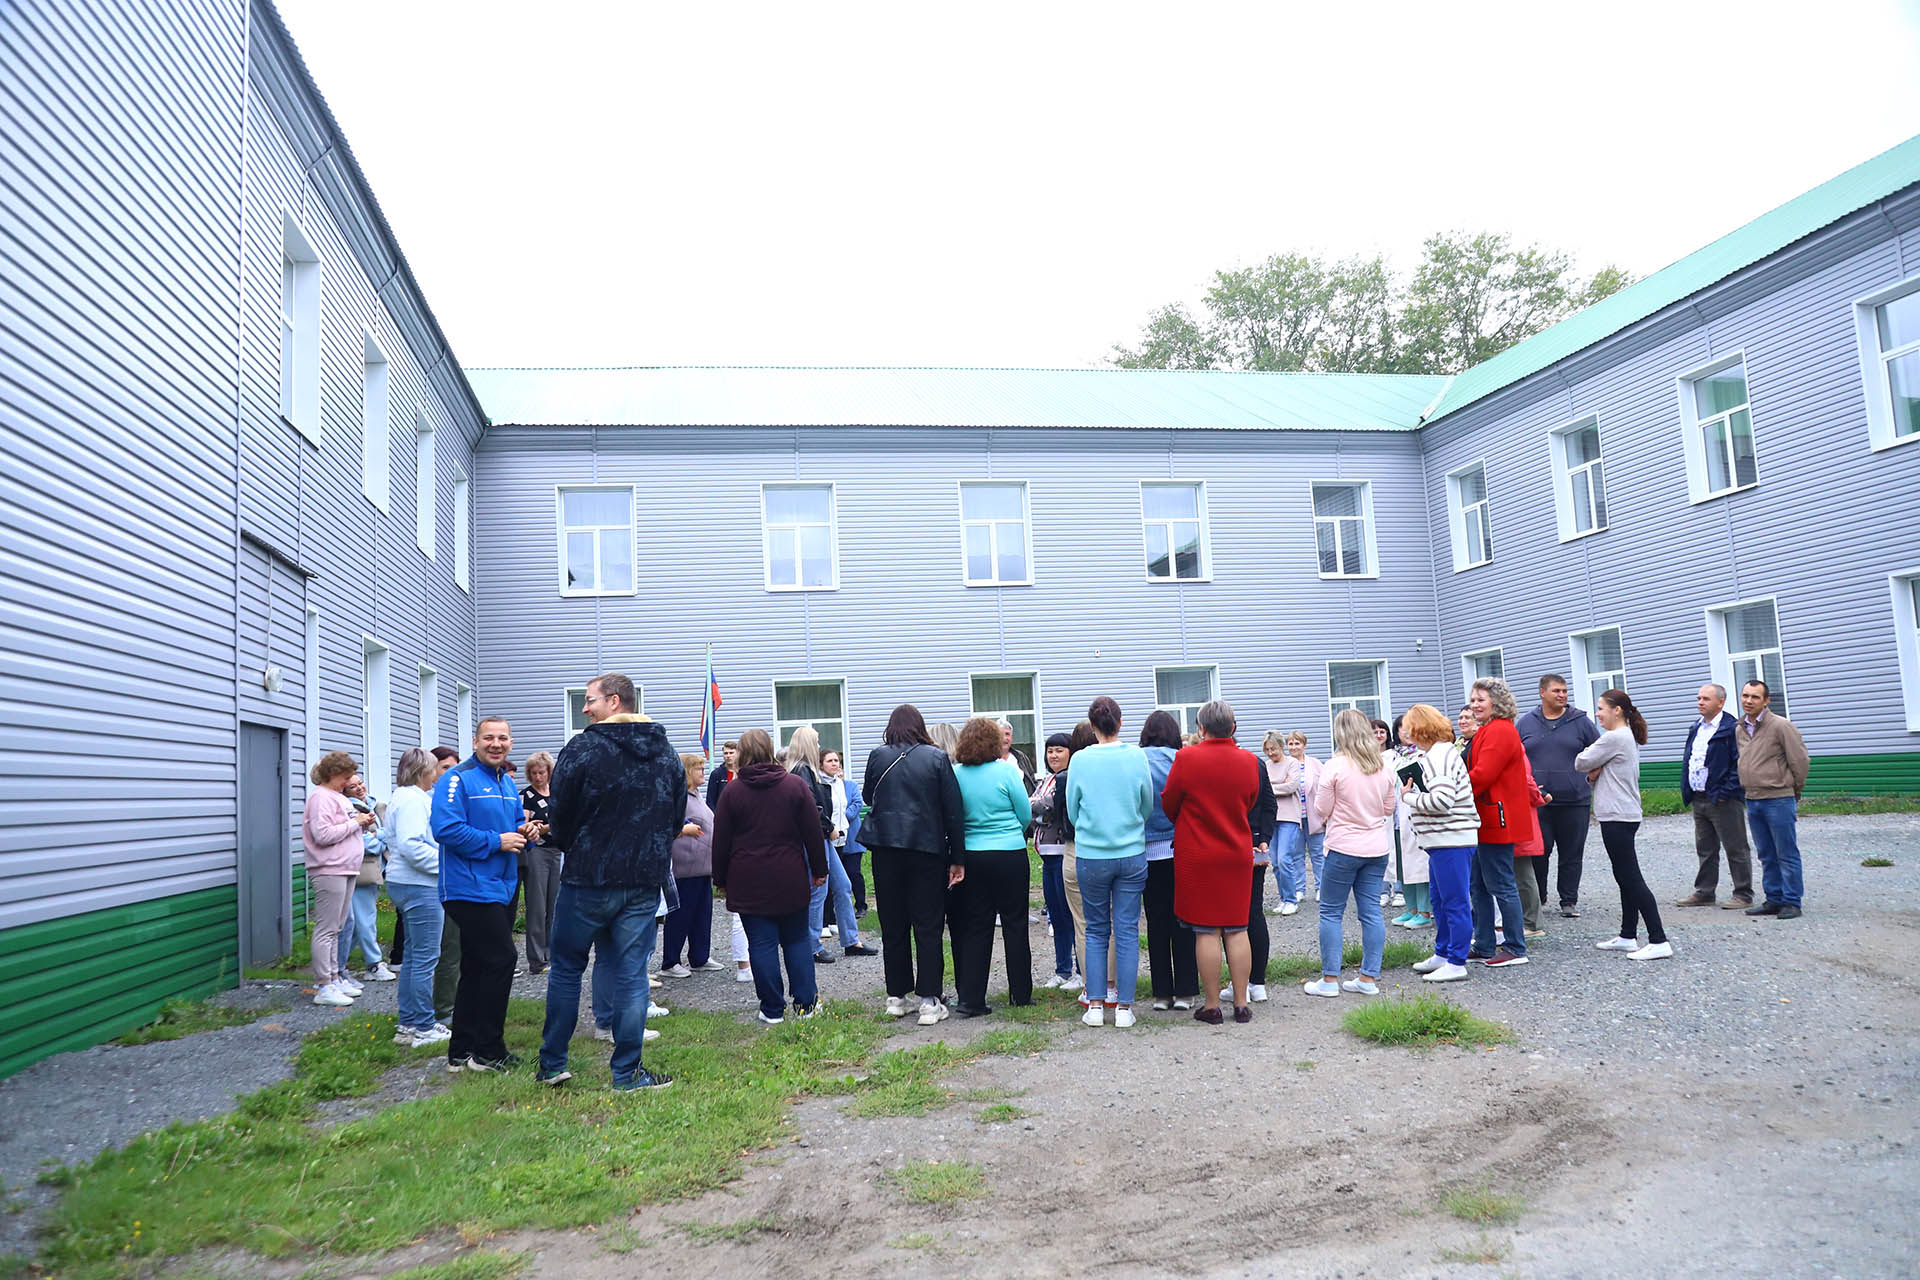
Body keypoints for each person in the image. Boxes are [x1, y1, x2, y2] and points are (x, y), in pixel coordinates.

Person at [539, 692, 684, 1090]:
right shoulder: (666, 753)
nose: (585, 708)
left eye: (589, 700)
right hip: (641, 880)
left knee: (567, 969)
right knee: (632, 974)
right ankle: (627, 1072)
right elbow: (674, 818)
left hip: (587, 878)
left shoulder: (582, 748)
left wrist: (577, 846)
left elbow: (560, 813)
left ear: (615, 702)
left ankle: (553, 1063)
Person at [432, 716, 536, 1072]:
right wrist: (497, 841)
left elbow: (506, 832)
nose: (496, 744)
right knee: (501, 959)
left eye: (503, 738)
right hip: (468, 887)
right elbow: (445, 829)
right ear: (475, 742)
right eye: (489, 738)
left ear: (510, 742)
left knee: (477, 965)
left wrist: (523, 832)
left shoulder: (506, 781)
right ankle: (488, 1052)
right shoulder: (457, 778)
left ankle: (461, 1050)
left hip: (501, 885)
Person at [713, 728, 829, 1024]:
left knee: (762, 945)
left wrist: (720, 879)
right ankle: (805, 1004)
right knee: (797, 940)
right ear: (769, 749)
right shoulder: (793, 786)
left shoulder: (733, 792)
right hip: (789, 875)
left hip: (747, 878)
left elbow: (721, 840)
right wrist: (819, 870)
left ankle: (771, 1009)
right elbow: (812, 833)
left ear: (742, 754)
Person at [862, 705, 967, 1025]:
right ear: (920, 726)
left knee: (893, 925)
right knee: (928, 926)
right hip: (926, 850)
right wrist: (957, 858)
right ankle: (929, 1000)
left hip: (886, 850)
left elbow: (869, 796)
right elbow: (953, 810)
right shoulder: (936, 758)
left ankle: (896, 997)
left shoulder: (877, 756)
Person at [1160, 700, 1262, 1025]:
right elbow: (1250, 800)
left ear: (1200, 728)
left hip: (1199, 854)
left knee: (1206, 930)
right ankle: (1242, 1003)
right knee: (1237, 927)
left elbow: (1169, 802)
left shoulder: (1186, 758)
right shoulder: (1250, 761)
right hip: (1236, 852)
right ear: (1233, 728)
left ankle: (1212, 1004)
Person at [1065, 696, 1152, 1029]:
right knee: (1127, 930)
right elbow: (1146, 804)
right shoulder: (1136, 756)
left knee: (1096, 930)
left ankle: (1097, 1005)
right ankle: (1125, 1009)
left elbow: (1073, 810)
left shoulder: (1081, 761)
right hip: (1130, 851)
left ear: (1092, 726)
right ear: (1120, 722)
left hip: (1092, 854)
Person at [1302, 709, 1397, 998]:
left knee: (1331, 912)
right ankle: (1368, 978)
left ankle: (1330, 980)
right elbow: (1388, 808)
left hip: (1343, 846)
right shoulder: (1382, 765)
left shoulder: (1336, 765)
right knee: (1370, 912)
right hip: (1376, 848)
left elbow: (1321, 809)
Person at [1575, 689, 1672, 960]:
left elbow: (1580, 761)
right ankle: (1628, 935)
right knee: (1623, 875)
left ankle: (1658, 938)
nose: (1597, 713)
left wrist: (1594, 768)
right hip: (1621, 813)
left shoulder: (1614, 737)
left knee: (1630, 877)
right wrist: (1597, 771)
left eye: (1601, 708)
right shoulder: (1623, 736)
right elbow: (1593, 769)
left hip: (1618, 815)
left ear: (1617, 710)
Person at [950, 717, 1035, 1017]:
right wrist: (1012, 832)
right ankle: (1021, 994)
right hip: (1009, 853)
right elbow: (1025, 813)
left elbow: (953, 815)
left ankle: (971, 999)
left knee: (976, 926)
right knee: (1015, 923)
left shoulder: (956, 774)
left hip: (973, 855)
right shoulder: (1007, 771)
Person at [1402, 704, 1480, 983]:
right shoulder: (1437, 753)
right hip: (1440, 841)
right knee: (1440, 899)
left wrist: (1408, 797)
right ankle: (1444, 953)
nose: (1406, 732)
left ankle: (1457, 961)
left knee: (1455, 901)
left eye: (1410, 726)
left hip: (1452, 840)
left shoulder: (1440, 756)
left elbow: (1442, 801)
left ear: (1419, 729)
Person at [1517, 674, 1601, 919]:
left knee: (1572, 852)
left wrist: (1588, 779)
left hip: (1575, 800)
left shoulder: (1580, 722)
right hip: (1538, 801)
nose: (1562, 695)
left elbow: (1599, 752)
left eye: (1564, 691)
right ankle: (1538, 898)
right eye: (1556, 691)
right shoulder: (1526, 723)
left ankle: (1569, 900)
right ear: (1542, 693)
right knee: (1538, 852)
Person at [787, 727, 872, 961]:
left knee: (843, 885)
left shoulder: (808, 771)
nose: (818, 747)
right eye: (815, 742)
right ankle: (812, 946)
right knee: (819, 890)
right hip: (815, 838)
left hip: (822, 837)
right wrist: (830, 828)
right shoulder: (802, 771)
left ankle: (851, 940)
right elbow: (811, 808)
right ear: (806, 745)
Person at [384, 748, 449, 1046]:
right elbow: (411, 846)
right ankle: (423, 1026)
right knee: (425, 958)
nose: (437, 775)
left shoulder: (405, 797)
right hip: (419, 885)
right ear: (423, 772)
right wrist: (446, 864)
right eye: (434, 769)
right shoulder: (412, 801)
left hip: (404, 882)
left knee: (413, 957)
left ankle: (408, 1023)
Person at [1465, 678, 1531, 967]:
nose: (1475, 705)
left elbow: (1482, 774)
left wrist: (1450, 790)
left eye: (1481, 699)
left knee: (1501, 883)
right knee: (1478, 884)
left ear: (1496, 702)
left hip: (1496, 817)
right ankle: (1484, 943)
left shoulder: (1500, 731)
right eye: (1473, 700)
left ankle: (1515, 947)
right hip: (1485, 817)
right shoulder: (1488, 730)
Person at [304, 751, 376, 1008]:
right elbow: (322, 834)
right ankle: (324, 984)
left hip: (346, 867)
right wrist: (355, 823)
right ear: (332, 774)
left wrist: (362, 823)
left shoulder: (335, 796)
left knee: (338, 926)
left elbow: (346, 826)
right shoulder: (320, 797)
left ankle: (335, 976)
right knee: (326, 928)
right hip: (329, 868)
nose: (349, 781)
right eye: (345, 776)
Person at [1736, 680, 1811, 920]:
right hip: (1753, 798)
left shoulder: (1781, 726)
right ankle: (1774, 898)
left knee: (1786, 852)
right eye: (1745, 695)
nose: (1748, 701)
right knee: (1766, 853)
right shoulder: (1740, 728)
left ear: (1766, 701)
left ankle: (1791, 901)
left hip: (1778, 798)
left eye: (1755, 697)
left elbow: (1800, 761)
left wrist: (1793, 789)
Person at [1139, 711, 1198, 1011]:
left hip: (1146, 850)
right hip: (1179, 848)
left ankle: (1162, 992)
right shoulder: (1182, 758)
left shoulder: (1137, 760)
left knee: (1156, 922)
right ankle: (1186, 991)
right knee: (1184, 921)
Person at [1676, 684, 1754, 909]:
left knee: (1735, 847)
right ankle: (1704, 892)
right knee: (1705, 848)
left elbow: (1740, 763)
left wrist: (1725, 792)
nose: (1700, 702)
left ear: (1721, 702)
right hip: (1699, 797)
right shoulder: (1697, 727)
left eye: (1706, 699)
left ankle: (1743, 893)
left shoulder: (1732, 728)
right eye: (1699, 698)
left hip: (1723, 799)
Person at [659, 754, 723, 976]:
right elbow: (668, 825)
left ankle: (699, 956)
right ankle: (670, 961)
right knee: (681, 914)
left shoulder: (697, 796)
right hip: (685, 866)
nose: (703, 773)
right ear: (687, 772)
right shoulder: (680, 798)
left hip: (702, 866)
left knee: (702, 914)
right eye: (698, 769)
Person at [1029, 733, 1078, 989]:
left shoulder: (1069, 778)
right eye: (1050, 751)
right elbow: (1035, 809)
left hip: (1062, 853)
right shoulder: (1047, 779)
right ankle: (1062, 970)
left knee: (1070, 915)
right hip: (1046, 855)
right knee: (1056, 917)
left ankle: (1080, 971)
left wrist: (1036, 809)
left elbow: (1048, 807)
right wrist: (1037, 810)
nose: (1054, 755)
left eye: (1059, 750)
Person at [338, 774, 396, 983]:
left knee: (355, 922)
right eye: (353, 787)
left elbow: (388, 832)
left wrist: (377, 836)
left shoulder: (372, 803)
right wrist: (382, 839)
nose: (359, 788)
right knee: (365, 919)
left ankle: (338, 967)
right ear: (345, 791)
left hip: (376, 868)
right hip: (361, 870)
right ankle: (374, 964)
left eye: (361, 783)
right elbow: (364, 843)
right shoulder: (349, 808)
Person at [424, 745, 464, 1025]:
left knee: (457, 946)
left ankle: (454, 1002)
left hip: (457, 879)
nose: (452, 773)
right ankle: (442, 1009)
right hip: (434, 880)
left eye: (455, 767)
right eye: (446, 767)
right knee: (443, 948)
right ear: (432, 770)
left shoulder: (453, 796)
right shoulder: (425, 800)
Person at [519, 751, 562, 975]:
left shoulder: (556, 793)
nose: (538, 777)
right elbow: (524, 827)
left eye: (542, 772)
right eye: (534, 773)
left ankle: (553, 955)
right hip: (537, 852)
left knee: (555, 906)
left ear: (549, 772)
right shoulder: (526, 796)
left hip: (557, 851)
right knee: (537, 906)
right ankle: (537, 960)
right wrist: (543, 828)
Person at [1275, 731, 1325, 907]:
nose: (1294, 747)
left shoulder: (1315, 764)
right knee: (1295, 855)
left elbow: (1324, 789)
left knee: (1318, 854)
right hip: (1293, 817)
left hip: (1314, 815)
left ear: (1304, 745)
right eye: (1291, 744)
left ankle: (1321, 888)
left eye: (1297, 743)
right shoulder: (1285, 764)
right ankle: (1299, 889)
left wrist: (1325, 813)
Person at [823, 749, 869, 917]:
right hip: (833, 837)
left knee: (854, 872)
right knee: (835, 877)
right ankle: (834, 911)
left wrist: (841, 817)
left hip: (851, 838)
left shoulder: (850, 786)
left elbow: (857, 804)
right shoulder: (824, 787)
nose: (836, 766)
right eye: (831, 761)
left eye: (838, 762)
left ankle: (861, 905)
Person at [1263, 732, 1301, 917]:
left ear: (1281, 747)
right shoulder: (1266, 766)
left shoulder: (1292, 763)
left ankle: (1292, 899)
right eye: (1268, 750)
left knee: (1285, 858)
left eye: (1274, 749)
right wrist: (1278, 785)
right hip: (1271, 818)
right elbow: (1262, 788)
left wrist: (1271, 787)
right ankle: (1284, 898)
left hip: (1289, 817)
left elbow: (1292, 786)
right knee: (1276, 862)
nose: (1271, 753)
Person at [706, 740, 739, 809]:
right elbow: (710, 800)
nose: (728, 756)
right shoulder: (716, 774)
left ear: (737, 754)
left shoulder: (742, 772)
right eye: (726, 753)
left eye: (731, 753)